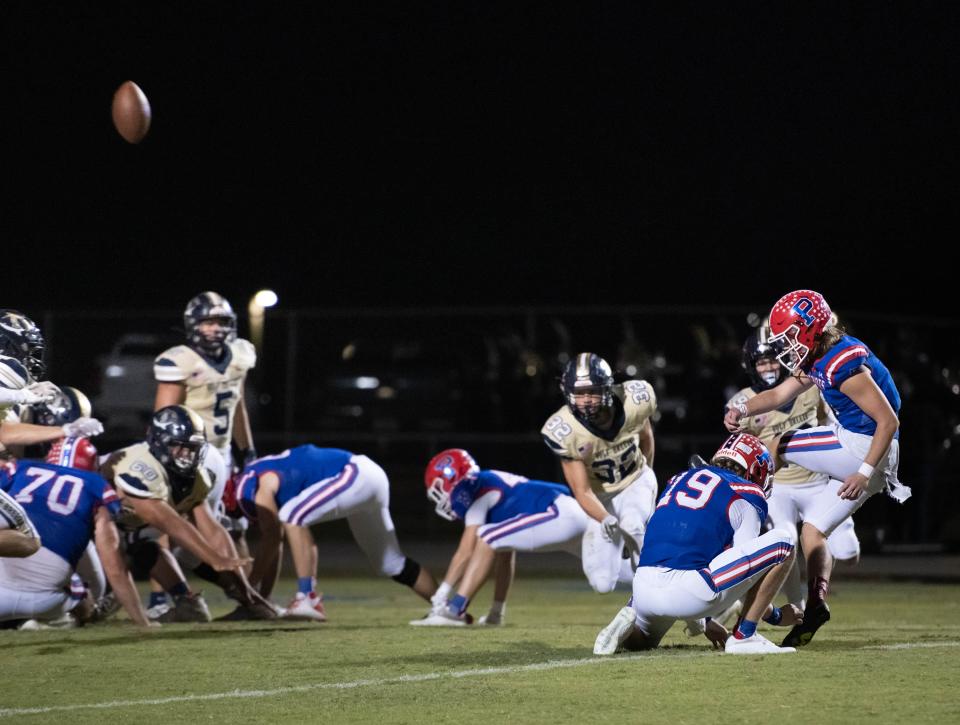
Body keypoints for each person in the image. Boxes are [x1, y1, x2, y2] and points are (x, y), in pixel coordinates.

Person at [724, 290, 909, 647]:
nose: (786, 347)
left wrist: (865, 471)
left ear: (811, 329)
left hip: (863, 448)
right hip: (860, 445)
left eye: (790, 336)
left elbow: (889, 421)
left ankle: (735, 510)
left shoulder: (842, 364)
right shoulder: (820, 355)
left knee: (778, 445)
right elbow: (778, 395)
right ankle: (816, 605)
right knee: (812, 531)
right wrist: (742, 410)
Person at [593, 433, 800, 656]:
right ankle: (744, 637)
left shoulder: (678, 480)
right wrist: (775, 616)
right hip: (690, 589)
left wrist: (705, 620)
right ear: (757, 471)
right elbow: (744, 578)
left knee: (642, 640)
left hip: (643, 588)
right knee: (785, 542)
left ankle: (623, 626)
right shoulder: (747, 494)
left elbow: (679, 546)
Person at [100, 405, 275, 621]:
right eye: (178, 446)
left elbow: (212, 529)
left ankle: (190, 602)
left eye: (192, 448)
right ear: (158, 442)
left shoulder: (196, 476)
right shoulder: (141, 466)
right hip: (85, 514)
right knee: (120, 552)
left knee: (143, 547)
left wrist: (244, 587)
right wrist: (213, 557)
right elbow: (165, 520)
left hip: (121, 521)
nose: (186, 455)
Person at [728, 329, 860, 612]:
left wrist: (843, 466)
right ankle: (798, 605)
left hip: (817, 482)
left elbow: (834, 426)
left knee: (848, 553)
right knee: (784, 543)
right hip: (778, 487)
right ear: (750, 366)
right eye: (761, 362)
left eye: (772, 360)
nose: (768, 367)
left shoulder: (810, 384)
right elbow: (738, 453)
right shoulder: (742, 401)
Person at [411, 448, 612, 626]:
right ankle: (496, 614)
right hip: (572, 515)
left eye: (439, 489)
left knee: (487, 536)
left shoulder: (479, 492)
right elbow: (505, 556)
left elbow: (465, 552)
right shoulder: (486, 481)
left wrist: (442, 593)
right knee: (617, 574)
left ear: (453, 481)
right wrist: (495, 613)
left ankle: (455, 611)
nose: (441, 497)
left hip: (559, 514)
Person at [234, 444, 437, 621]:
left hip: (356, 473)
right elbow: (275, 538)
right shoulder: (259, 474)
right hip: (368, 476)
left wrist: (248, 587)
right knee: (391, 563)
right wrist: (258, 593)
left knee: (292, 515)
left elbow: (272, 536)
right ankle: (447, 608)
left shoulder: (256, 480)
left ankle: (307, 597)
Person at [152, 292, 257, 612]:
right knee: (167, 523)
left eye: (221, 321)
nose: (213, 328)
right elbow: (164, 415)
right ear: (193, 325)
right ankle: (161, 598)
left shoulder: (241, 354)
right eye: (207, 321)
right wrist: (164, 457)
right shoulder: (179, 360)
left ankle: (245, 597)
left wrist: (248, 450)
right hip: (188, 453)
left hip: (223, 455)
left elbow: (238, 405)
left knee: (235, 526)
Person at [540, 352, 658, 593]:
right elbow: (581, 491)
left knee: (634, 525)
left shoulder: (634, 400)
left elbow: (647, 439)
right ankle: (639, 569)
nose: (586, 400)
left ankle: (656, 589)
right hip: (600, 496)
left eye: (592, 392)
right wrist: (604, 517)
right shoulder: (565, 428)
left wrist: (647, 481)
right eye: (579, 393)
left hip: (635, 480)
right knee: (601, 583)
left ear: (606, 388)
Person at [0, 458, 153, 628]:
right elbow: (115, 567)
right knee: (83, 593)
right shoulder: (96, 484)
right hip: (46, 600)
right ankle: (72, 614)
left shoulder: (21, 468)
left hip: (5, 581)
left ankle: (19, 622)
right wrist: (143, 622)